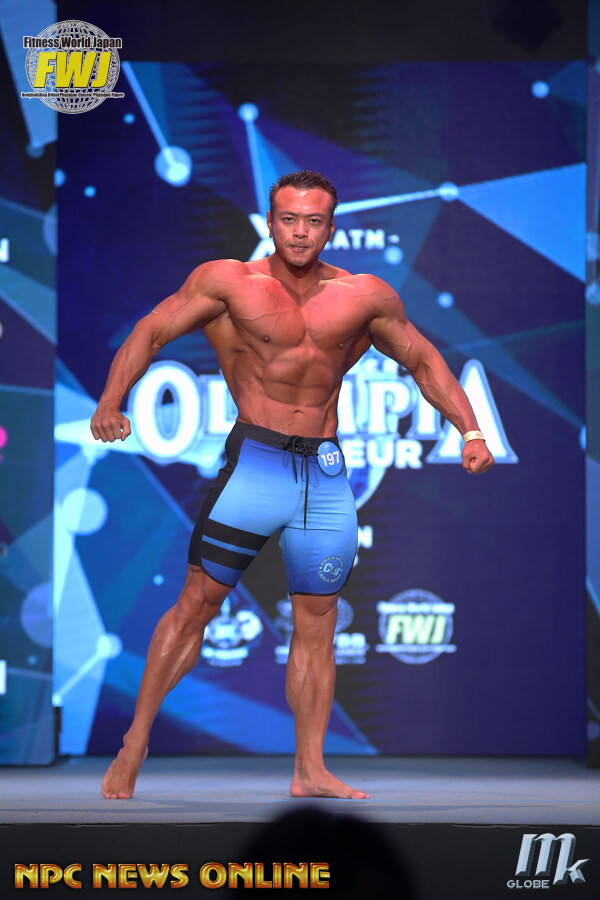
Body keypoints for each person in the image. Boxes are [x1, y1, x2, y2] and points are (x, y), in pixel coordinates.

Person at [91, 170, 494, 801]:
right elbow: (153, 329)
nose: (300, 232)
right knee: (197, 605)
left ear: (331, 227)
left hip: (325, 474)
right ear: (269, 222)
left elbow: (422, 359)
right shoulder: (228, 282)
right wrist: (111, 399)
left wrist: (469, 430)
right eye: (288, 219)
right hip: (256, 463)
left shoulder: (364, 296)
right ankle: (135, 741)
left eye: (313, 221)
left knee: (318, 624)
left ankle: (310, 770)